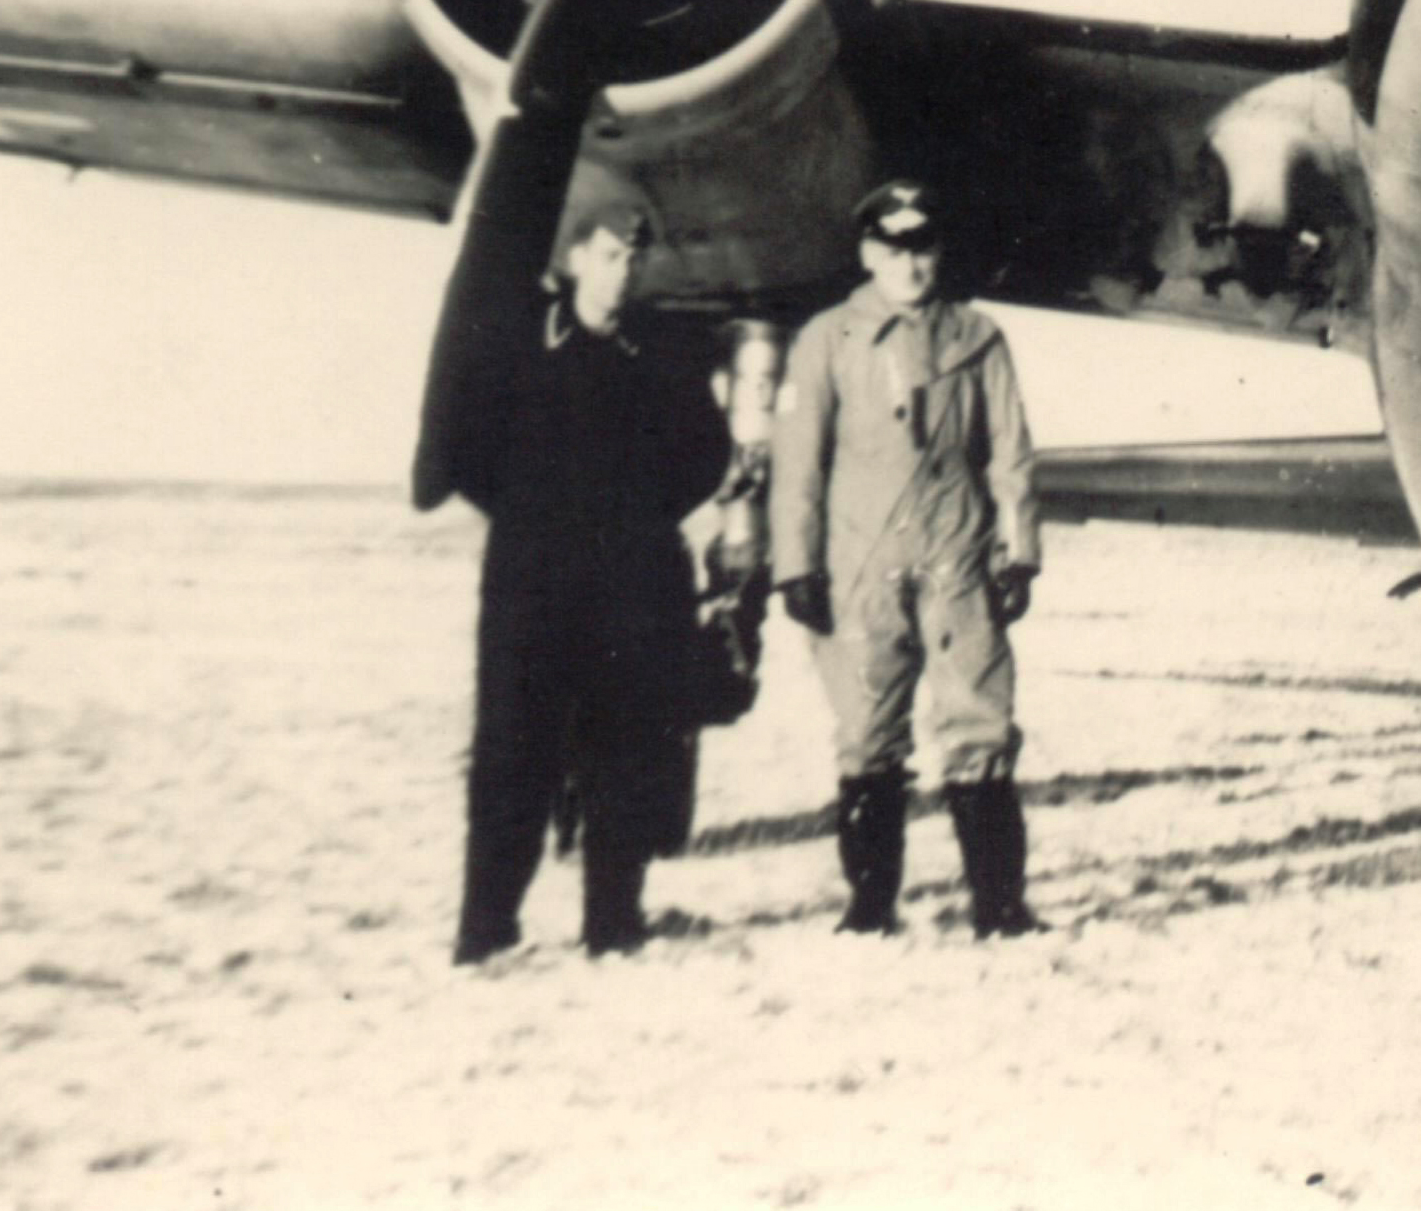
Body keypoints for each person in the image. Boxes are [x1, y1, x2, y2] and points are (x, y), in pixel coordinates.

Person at [433, 201, 730, 964]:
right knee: (513, 754)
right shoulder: (518, 342)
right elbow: (465, 448)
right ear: (575, 262)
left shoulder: (661, 350)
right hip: (532, 587)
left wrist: (641, 521)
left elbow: (705, 453)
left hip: (632, 587)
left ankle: (614, 922)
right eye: (608, 256)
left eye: (633, 259)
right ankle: (487, 927)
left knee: (624, 750)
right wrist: (532, 517)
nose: (621, 272)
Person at [769, 180, 1044, 938]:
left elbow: (1011, 454)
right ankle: (869, 906)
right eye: (893, 250)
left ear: (938, 252)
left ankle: (999, 905)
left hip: (958, 555)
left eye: (921, 248)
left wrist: (1018, 555)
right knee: (866, 730)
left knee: (980, 724)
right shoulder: (827, 340)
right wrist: (796, 565)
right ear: (868, 254)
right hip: (861, 562)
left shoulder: (978, 338)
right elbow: (798, 462)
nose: (909, 265)